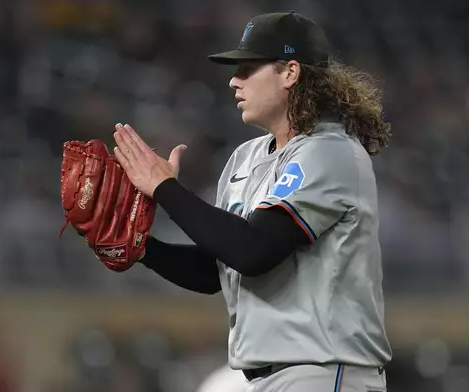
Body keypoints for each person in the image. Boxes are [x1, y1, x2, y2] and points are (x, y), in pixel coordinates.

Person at [112, 11, 393, 392]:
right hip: (272, 377)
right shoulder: (246, 159)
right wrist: (141, 247)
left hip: (324, 371)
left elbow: (253, 251)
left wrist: (164, 188)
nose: (233, 80)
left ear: (290, 72)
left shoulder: (331, 152)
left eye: (247, 68)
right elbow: (219, 269)